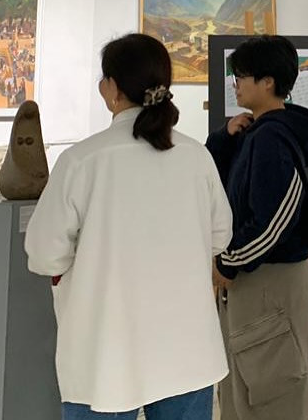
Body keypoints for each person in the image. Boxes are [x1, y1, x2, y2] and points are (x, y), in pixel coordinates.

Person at [25, 33, 233, 420]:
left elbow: (44, 254)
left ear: (112, 88)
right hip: (186, 347)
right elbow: (221, 236)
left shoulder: (83, 161)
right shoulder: (196, 156)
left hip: (106, 349)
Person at [205, 35, 308, 420]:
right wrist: (225, 137)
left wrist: (229, 261)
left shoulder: (273, 136)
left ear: (268, 82)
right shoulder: (256, 132)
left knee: (271, 391)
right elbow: (220, 186)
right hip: (252, 276)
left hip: (270, 278)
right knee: (243, 390)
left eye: (241, 76)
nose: (235, 84)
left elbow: (275, 220)